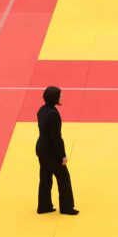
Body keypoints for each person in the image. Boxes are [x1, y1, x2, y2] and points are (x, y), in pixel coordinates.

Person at [36, 86, 78, 215]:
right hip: (50, 151)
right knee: (63, 177)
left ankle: (44, 206)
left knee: (45, 177)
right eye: (60, 95)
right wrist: (62, 156)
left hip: (41, 148)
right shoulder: (53, 114)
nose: (61, 97)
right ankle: (66, 207)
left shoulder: (42, 110)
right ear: (54, 98)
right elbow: (56, 138)